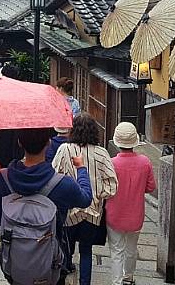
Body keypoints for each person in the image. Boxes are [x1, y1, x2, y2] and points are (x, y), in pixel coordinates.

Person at [0, 127, 92, 285]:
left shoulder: (4, 178)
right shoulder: (62, 183)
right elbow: (86, 199)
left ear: (19, 143)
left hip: (15, 263)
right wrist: (81, 169)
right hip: (51, 262)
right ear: (49, 143)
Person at [52, 115, 119, 285]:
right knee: (86, 250)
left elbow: (54, 174)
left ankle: (63, 277)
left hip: (69, 211)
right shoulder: (101, 153)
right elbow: (112, 186)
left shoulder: (64, 149)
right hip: (92, 211)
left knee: (66, 249)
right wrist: (97, 194)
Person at [107, 122, 157, 285]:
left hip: (114, 214)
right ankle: (128, 277)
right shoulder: (145, 162)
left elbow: (106, 189)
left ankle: (116, 281)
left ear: (117, 141)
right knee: (131, 249)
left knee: (116, 250)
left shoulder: (112, 163)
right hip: (136, 215)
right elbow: (150, 187)